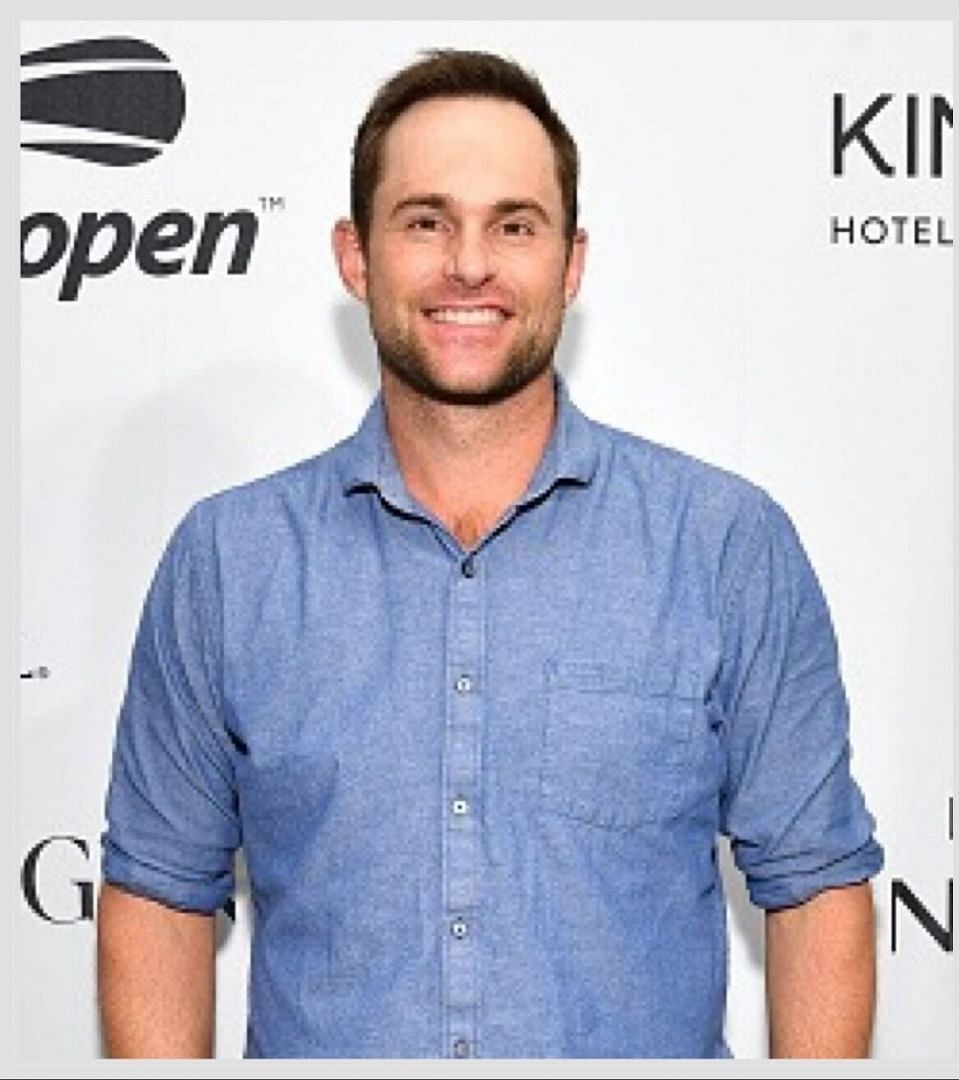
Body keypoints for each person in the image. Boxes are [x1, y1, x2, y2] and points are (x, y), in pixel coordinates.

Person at [95, 49, 882, 1059]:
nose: (469, 264)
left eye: (514, 225)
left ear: (572, 261)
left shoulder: (724, 545)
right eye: (426, 221)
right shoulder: (228, 560)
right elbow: (157, 893)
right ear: (355, 256)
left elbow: (816, 885)